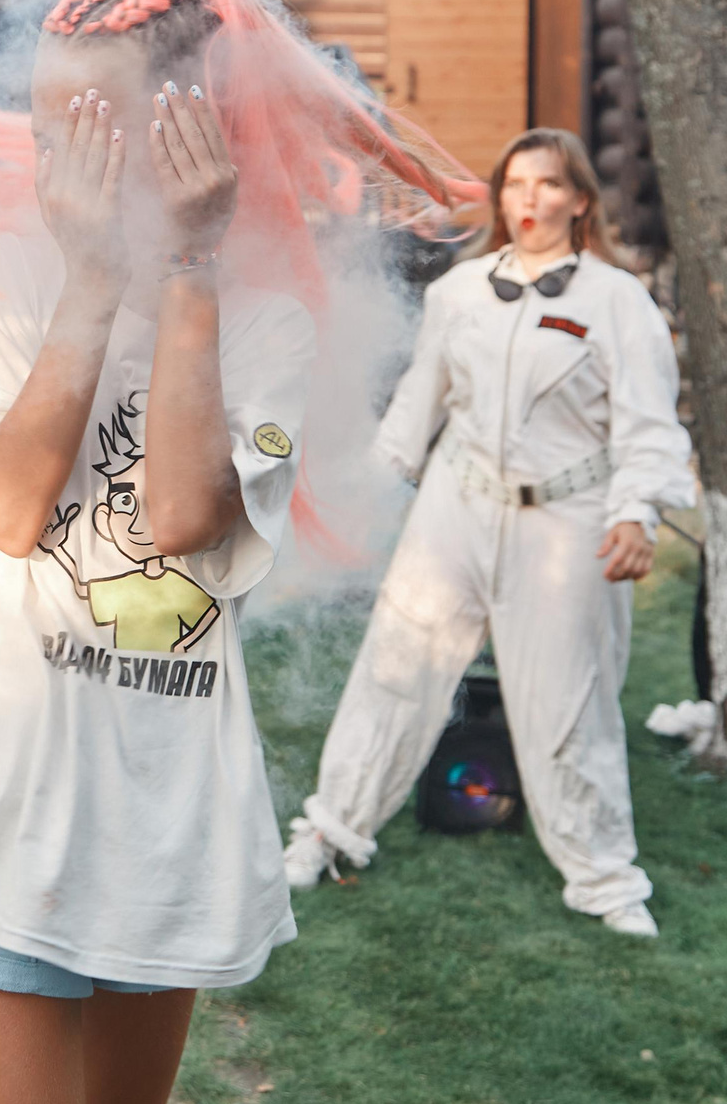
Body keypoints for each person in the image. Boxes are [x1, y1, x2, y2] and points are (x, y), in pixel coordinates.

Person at [0, 0, 471, 1104]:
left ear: (198, 128)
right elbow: (15, 510)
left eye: (93, 121)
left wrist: (183, 273)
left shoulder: (264, 319)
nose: (56, 153)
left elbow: (182, 518)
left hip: (167, 832)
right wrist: (92, 280)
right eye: (43, 120)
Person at [279, 127, 696, 938]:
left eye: (547, 185)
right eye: (515, 185)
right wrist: (362, 499)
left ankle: (605, 878)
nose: (529, 200)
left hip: (568, 516)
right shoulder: (461, 291)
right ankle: (330, 831)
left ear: (580, 200)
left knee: (568, 702)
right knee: (394, 671)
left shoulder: (618, 302)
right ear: (500, 198)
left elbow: (650, 422)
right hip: (455, 504)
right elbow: (417, 404)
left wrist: (636, 511)